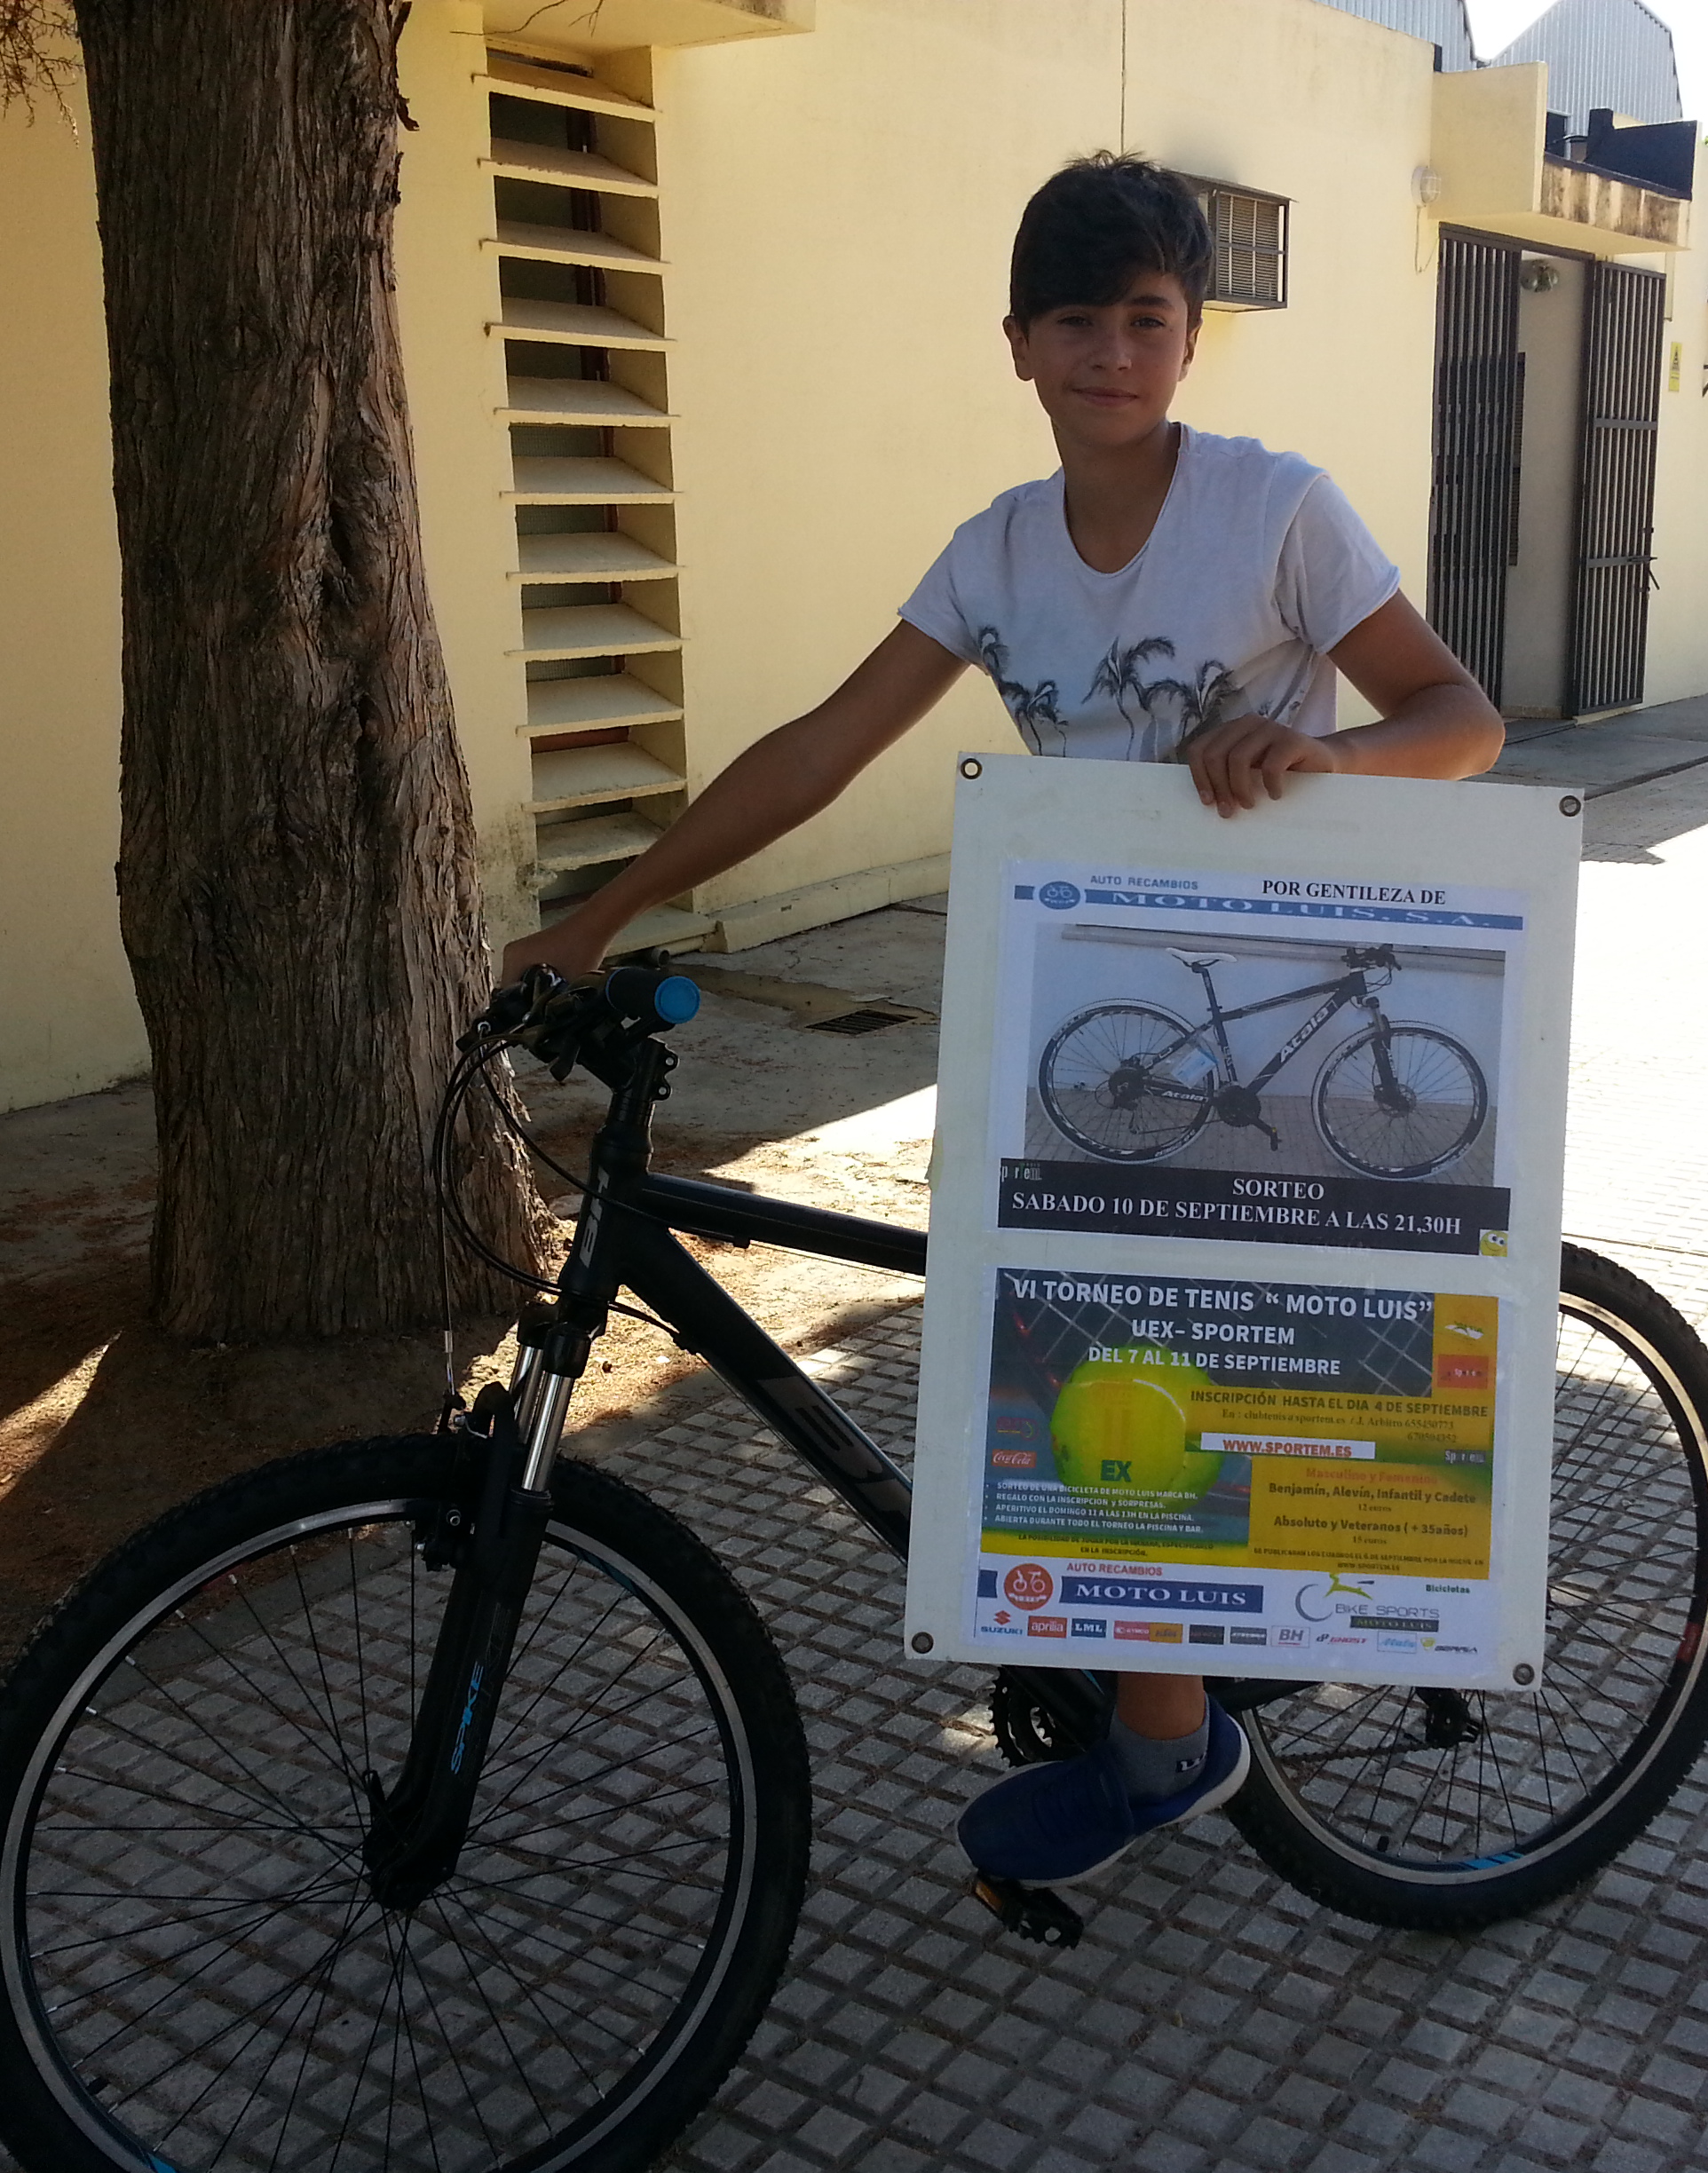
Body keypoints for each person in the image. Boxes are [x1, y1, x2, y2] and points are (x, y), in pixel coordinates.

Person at [502, 153, 1505, 1890]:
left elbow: (1462, 716)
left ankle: (1172, 1740)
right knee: (1068, 1361)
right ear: (1020, 345)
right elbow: (822, 747)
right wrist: (599, 915)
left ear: (1190, 338)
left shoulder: (1274, 508)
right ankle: (1157, 1683)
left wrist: (1323, 750)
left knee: (1139, 1363)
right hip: (1097, 1013)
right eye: (1078, 320)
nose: (1113, 351)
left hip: (1276, 996)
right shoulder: (999, 551)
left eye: (1148, 319)